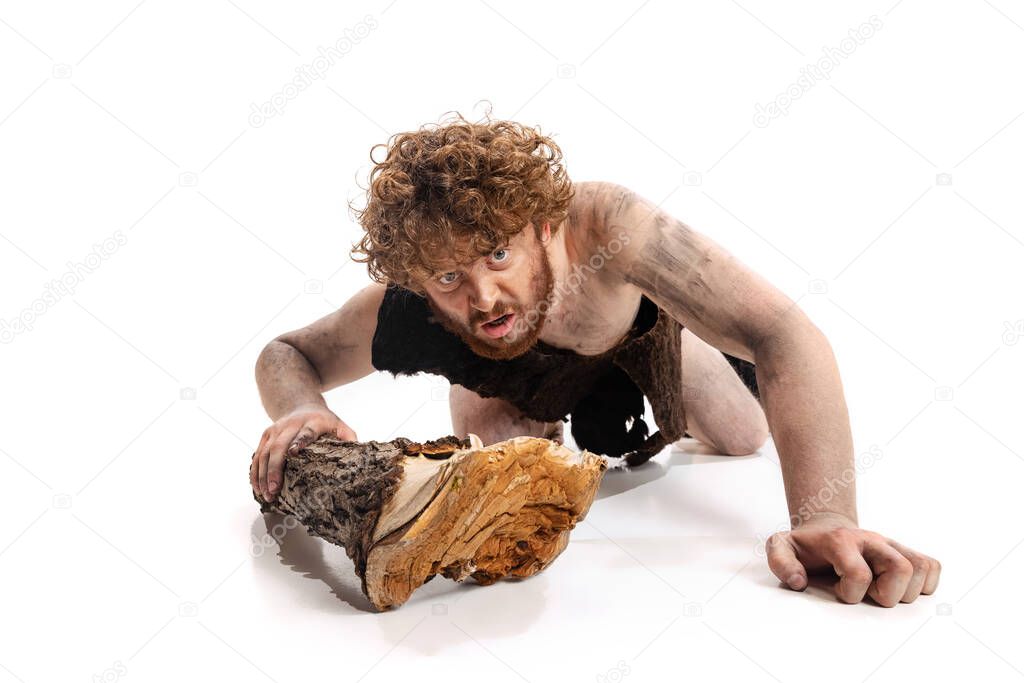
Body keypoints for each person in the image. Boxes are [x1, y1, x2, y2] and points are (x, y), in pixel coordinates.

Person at [249, 111, 940, 607]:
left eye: (498, 252)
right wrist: (304, 407)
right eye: (449, 279)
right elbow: (286, 352)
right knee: (495, 474)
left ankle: (688, 348)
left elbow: (783, 334)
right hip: (511, 383)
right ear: (418, 282)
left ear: (542, 223)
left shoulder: (607, 225)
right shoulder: (406, 305)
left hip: (631, 345)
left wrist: (824, 519)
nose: (485, 296)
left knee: (739, 434)